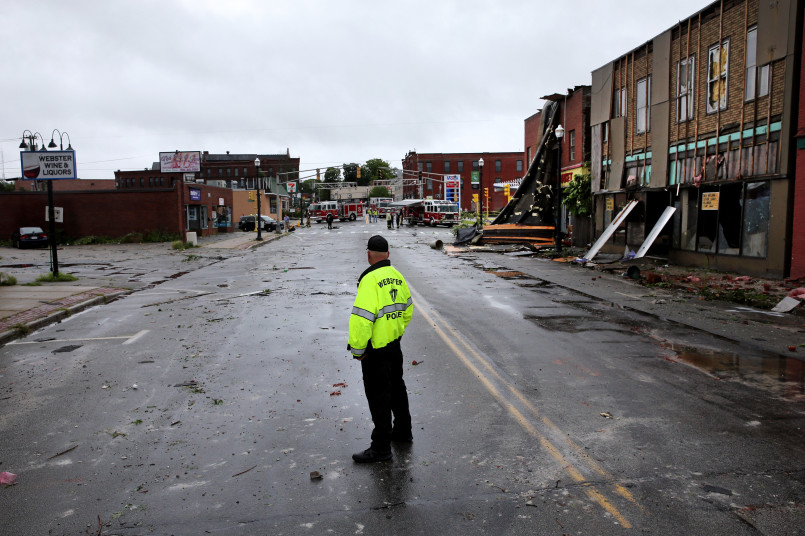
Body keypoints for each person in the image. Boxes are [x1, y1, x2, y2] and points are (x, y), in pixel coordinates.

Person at [348, 235, 413, 463]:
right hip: (394, 346)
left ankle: (381, 449)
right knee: (397, 389)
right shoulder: (397, 275)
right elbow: (407, 310)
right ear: (388, 254)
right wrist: (396, 331)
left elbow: (361, 320)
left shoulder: (369, 280)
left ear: (369, 255)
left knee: (379, 397)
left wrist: (358, 351)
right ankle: (403, 433)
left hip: (375, 351)